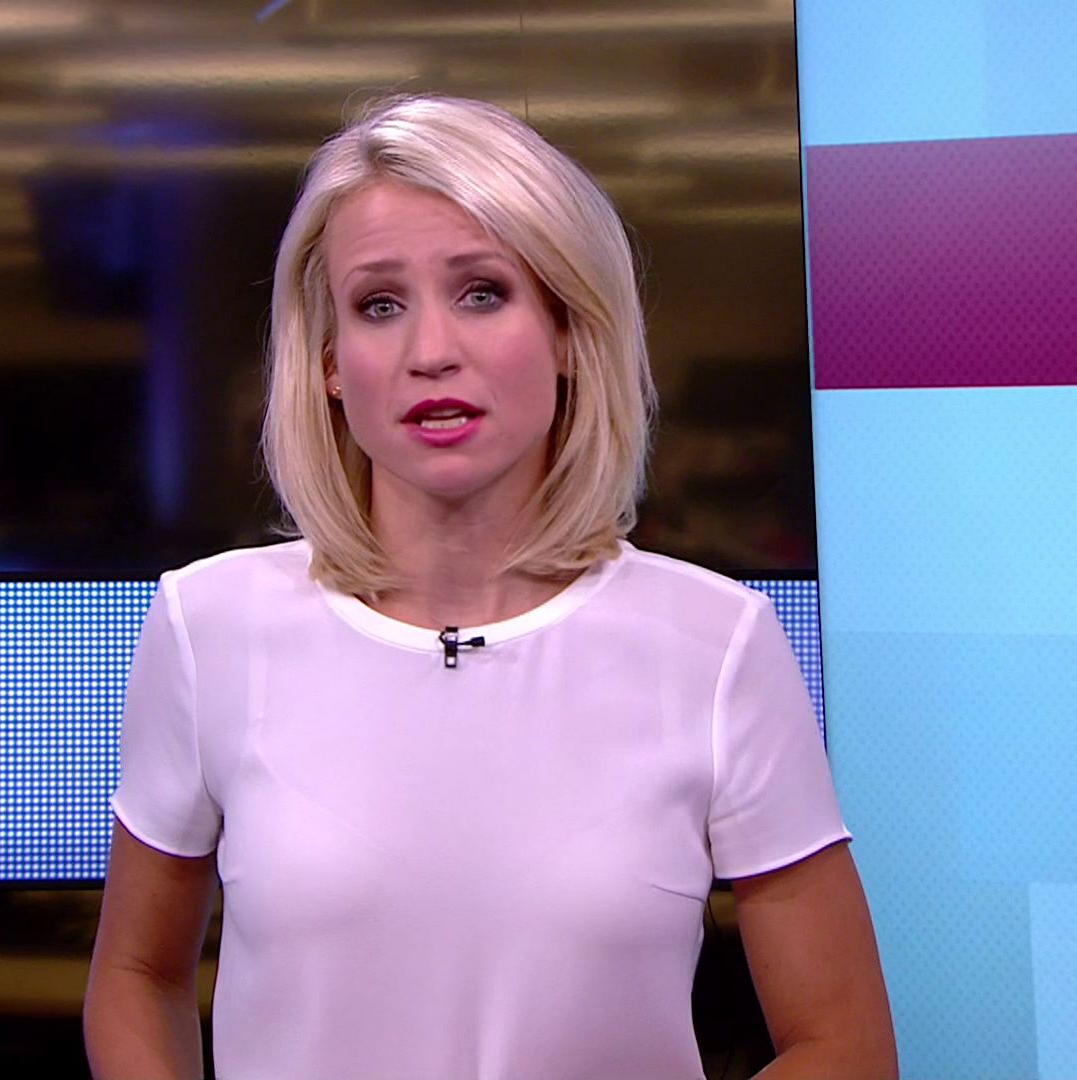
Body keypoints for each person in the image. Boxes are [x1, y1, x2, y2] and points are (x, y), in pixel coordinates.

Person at [83, 92, 896, 1080]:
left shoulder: (717, 643)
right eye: (380, 305)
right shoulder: (209, 624)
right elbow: (136, 974)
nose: (431, 352)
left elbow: (844, 1042)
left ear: (568, 331)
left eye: (481, 293)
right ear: (331, 363)